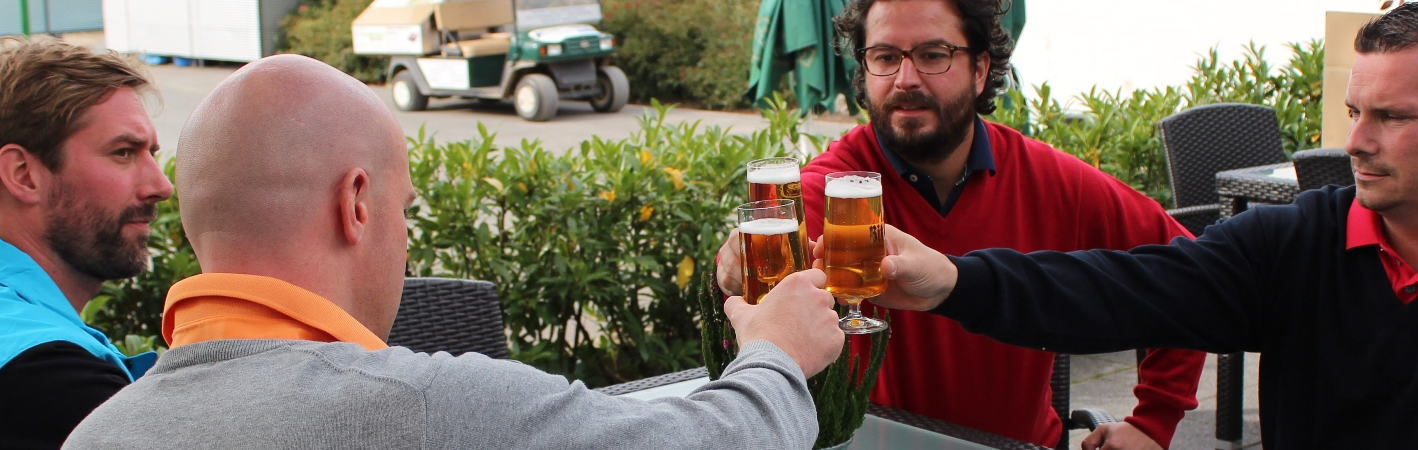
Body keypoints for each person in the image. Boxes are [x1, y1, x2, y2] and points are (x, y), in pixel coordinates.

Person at [859, 0, 1418, 448]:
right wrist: (953, 281)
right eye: (1354, 113)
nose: (1357, 142)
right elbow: (1125, 287)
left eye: (1392, 118)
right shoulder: (1296, 243)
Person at [64, 54, 845, 449]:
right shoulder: (428, 409)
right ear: (357, 204)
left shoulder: (98, 433)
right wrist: (775, 351)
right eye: (406, 212)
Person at [716, 0, 1204, 447]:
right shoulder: (841, 189)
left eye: (933, 55)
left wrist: (1153, 422)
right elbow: (769, 252)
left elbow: (1188, 271)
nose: (905, 78)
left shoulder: (1052, 180)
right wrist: (734, 263)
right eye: (885, 56)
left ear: (980, 70)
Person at [0, 35, 172, 449]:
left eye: (151, 152)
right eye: (123, 153)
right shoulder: (47, 377)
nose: (161, 186)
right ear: (23, 174)